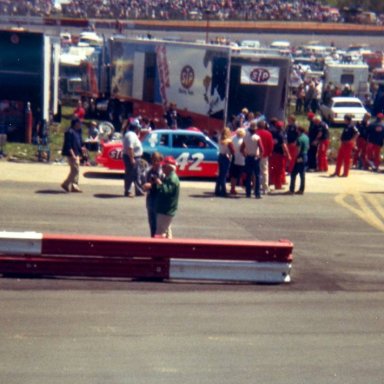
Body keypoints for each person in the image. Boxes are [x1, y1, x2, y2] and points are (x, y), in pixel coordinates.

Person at [155, 156, 180, 239]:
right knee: (167, 230)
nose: (162, 168)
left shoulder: (172, 179)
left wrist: (159, 183)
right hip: (166, 209)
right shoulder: (169, 177)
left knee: (160, 233)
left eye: (164, 167)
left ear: (169, 167)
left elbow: (166, 192)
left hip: (166, 210)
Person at [241, 121, 264, 199]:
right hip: (255, 157)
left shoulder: (245, 137)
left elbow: (241, 148)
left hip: (248, 157)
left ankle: (248, 192)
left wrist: (245, 155)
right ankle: (257, 193)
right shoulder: (257, 138)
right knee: (257, 175)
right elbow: (261, 149)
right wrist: (260, 156)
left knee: (248, 175)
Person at [143, 152, 164, 237]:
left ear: (160, 161)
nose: (155, 162)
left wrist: (151, 185)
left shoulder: (162, 172)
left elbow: (163, 186)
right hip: (150, 197)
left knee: (158, 223)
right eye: (153, 160)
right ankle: (152, 238)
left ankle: (159, 241)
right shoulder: (149, 171)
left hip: (159, 199)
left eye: (157, 160)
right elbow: (143, 182)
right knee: (151, 221)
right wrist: (144, 186)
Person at [61, 118, 85, 193]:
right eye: (79, 123)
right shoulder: (69, 132)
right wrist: (73, 155)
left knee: (76, 170)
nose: (80, 125)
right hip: (72, 154)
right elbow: (68, 145)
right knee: (75, 170)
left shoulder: (78, 131)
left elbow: (80, 142)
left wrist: (83, 148)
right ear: (75, 123)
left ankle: (74, 186)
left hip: (77, 153)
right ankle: (66, 183)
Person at [122, 119, 145, 197]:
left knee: (137, 174)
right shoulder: (130, 135)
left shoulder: (132, 134)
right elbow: (130, 148)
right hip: (131, 157)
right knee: (130, 175)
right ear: (135, 128)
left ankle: (138, 191)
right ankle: (127, 191)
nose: (139, 129)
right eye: (138, 128)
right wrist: (132, 159)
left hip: (135, 157)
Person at [289, 126, 309, 195]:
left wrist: (295, 157)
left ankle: (292, 189)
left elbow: (298, 149)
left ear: (298, 130)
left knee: (293, 173)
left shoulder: (299, 139)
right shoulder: (306, 137)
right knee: (302, 173)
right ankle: (301, 189)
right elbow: (308, 147)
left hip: (300, 156)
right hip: (305, 155)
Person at [215, 127, 234, 197]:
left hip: (220, 156)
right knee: (224, 175)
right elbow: (233, 151)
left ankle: (217, 190)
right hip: (226, 157)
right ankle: (223, 191)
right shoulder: (229, 141)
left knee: (220, 174)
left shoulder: (220, 139)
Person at [256, 120, 274, 195]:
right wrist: (269, 153)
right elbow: (271, 145)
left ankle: (256, 187)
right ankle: (265, 188)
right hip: (265, 154)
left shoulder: (255, 133)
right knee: (264, 172)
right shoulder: (268, 134)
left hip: (255, 154)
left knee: (256, 172)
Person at [229, 128, 246, 195]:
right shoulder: (243, 140)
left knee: (234, 175)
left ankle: (232, 188)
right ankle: (245, 188)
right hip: (242, 158)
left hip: (234, 157)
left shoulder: (233, 138)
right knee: (244, 174)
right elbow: (243, 150)